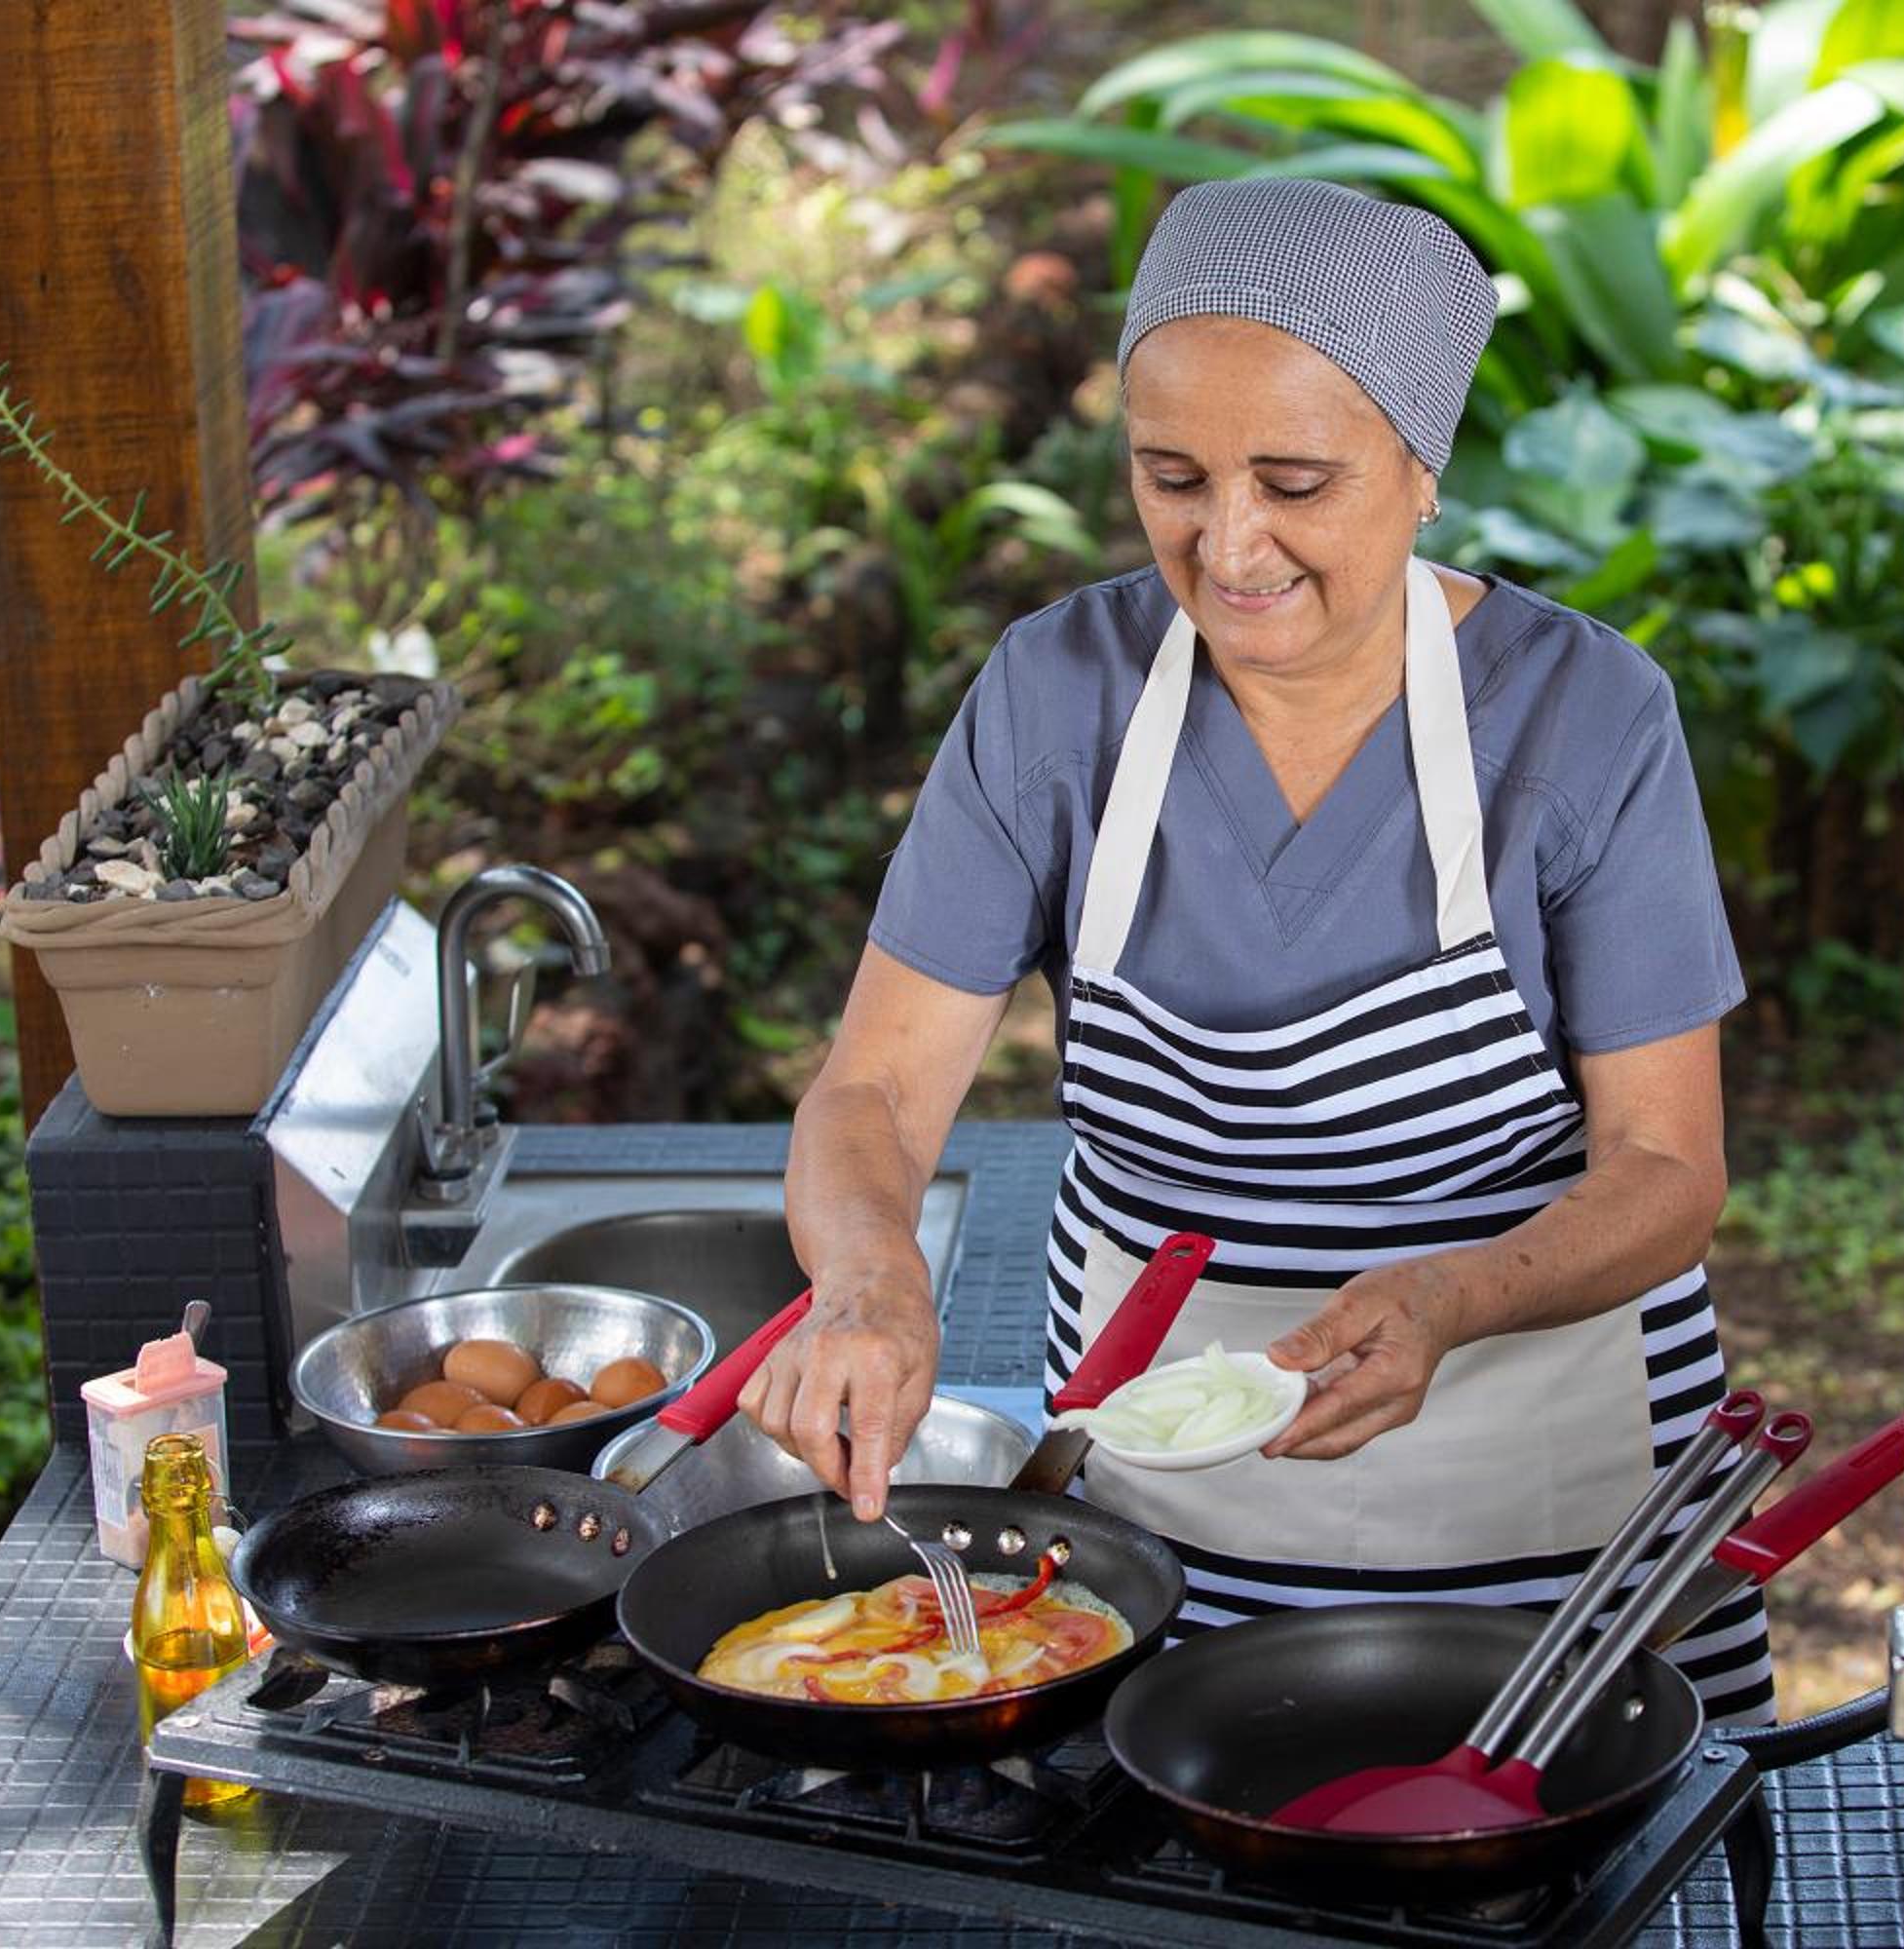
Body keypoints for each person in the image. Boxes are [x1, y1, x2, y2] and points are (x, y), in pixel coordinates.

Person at [738, 177, 1774, 1722]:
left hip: (1543, 1533)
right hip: (1159, 1516)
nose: (1228, 545)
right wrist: (871, 1278)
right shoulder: (1056, 695)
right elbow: (873, 1094)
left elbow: (1667, 1171)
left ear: (1423, 468)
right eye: (1173, 478)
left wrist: (1450, 1299)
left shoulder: (1586, 718)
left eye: (1295, 482)